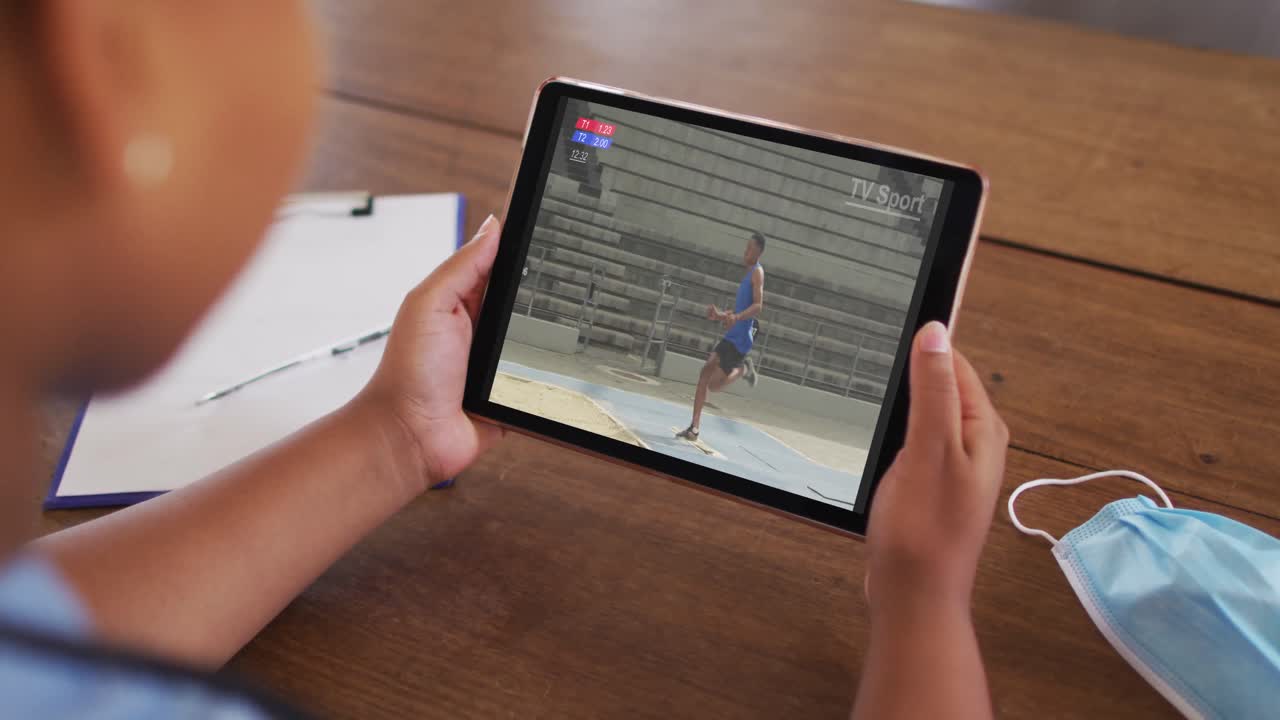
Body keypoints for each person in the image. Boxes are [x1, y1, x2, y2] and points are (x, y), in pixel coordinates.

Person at [0, 3, 1008, 718]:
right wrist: (921, 599)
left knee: (708, 380)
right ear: (98, 59)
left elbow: (32, 638)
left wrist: (395, 435)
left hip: (722, 340)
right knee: (703, 385)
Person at [675, 231, 766, 442]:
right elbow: (737, 312)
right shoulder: (747, 274)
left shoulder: (757, 273)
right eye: (746, 247)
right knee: (705, 371)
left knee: (714, 386)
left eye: (750, 248)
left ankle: (743, 370)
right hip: (731, 335)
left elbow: (758, 306)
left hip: (740, 341)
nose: (745, 251)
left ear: (758, 252)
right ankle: (694, 428)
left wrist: (738, 317)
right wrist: (720, 316)